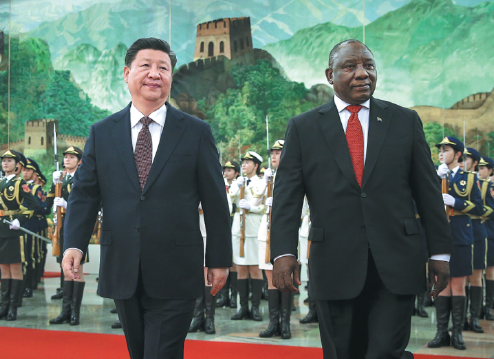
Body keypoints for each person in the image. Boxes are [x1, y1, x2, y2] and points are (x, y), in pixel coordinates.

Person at [270, 39, 452, 359]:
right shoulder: (304, 127)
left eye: (368, 65)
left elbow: (428, 194)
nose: (362, 74)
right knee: (341, 353)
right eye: (350, 67)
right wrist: (283, 252)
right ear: (330, 74)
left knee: (385, 352)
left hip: (395, 263)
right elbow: (287, 197)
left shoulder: (404, 121)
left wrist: (440, 252)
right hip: (334, 263)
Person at [61, 37, 232, 359]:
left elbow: (214, 201)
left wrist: (219, 258)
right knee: (139, 351)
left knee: (163, 352)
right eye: (146, 66)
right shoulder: (103, 132)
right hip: (122, 264)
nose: (155, 73)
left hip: (177, 266)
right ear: (127, 74)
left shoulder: (196, 132)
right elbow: (84, 195)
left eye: (163, 68)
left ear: (171, 76)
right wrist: (74, 244)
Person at [48, 146, 89, 326]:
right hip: (63, 227)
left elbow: (86, 203)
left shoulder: (83, 177)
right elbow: (49, 201)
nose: (67, 160)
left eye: (72, 157)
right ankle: (65, 311)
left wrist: (67, 204)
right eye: (66, 157)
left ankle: (75, 313)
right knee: (65, 268)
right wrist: (54, 184)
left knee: (76, 268)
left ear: (79, 161)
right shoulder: (61, 178)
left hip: (78, 227)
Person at [258, 140, 293, 339]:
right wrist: (265, 184)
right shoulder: (267, 178)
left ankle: (286, 323)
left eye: (278, 153)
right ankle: (273, 323)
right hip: (267, 231)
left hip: (286, 232)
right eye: (272, 153)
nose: (274, 156)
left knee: (286, 278)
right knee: (271, 279)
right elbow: (253, 202)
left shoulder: (293, 175)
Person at [0, 150, 39, 321]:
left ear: (17, 165)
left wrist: (19, 220)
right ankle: (4, 305)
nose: (5, 163)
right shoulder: (1, 182)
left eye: (9, 161)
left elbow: (33, 205)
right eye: (4, 161)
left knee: (14, 268)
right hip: (0, 228)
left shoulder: (19, 183)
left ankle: (13, 307)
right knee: (3, 268)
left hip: (12, 228)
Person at [229, 151, 265, 321]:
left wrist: (252, 206)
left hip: (254, 228)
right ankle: (243, 307)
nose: (244, 165)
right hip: (239, 229)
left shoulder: (262, 182)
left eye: (248, 162)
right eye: (242, 162)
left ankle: (255, 308)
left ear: (256, 165)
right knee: (241, 268)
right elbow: (230, 198)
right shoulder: (238, 182)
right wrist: (237, 185)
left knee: (256, 269)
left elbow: (265, 206)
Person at [463, 147, 487, 333]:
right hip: (459, 231)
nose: (463, 160)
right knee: (460, 277)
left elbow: (481, 208)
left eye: (467, 158)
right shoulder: (452, 179)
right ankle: (461, 319)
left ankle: (475, 317)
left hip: (476, 230)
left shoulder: (478, 182)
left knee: (476, 276)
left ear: (475, 163)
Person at [216, 160, 240, 309]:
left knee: (235, 262)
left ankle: (233, 296)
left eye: (230, 170)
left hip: (236, 224)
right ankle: (223, 295)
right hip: (224, 224)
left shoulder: (240, 184)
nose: (226, 173)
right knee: (224, 259)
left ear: (236, 173)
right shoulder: (221, 183)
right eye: (225, 170)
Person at [478, 157, 494, 320]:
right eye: (479, 168)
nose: (480, 171)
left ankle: (489, 305)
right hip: (477, 233)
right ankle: (478, 307)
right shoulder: (474, 185)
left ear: (490, 170)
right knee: (476, 272)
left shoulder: (489, 187)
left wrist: (479, 210)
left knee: (489, 270)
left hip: (489, 232)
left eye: (484, 168)